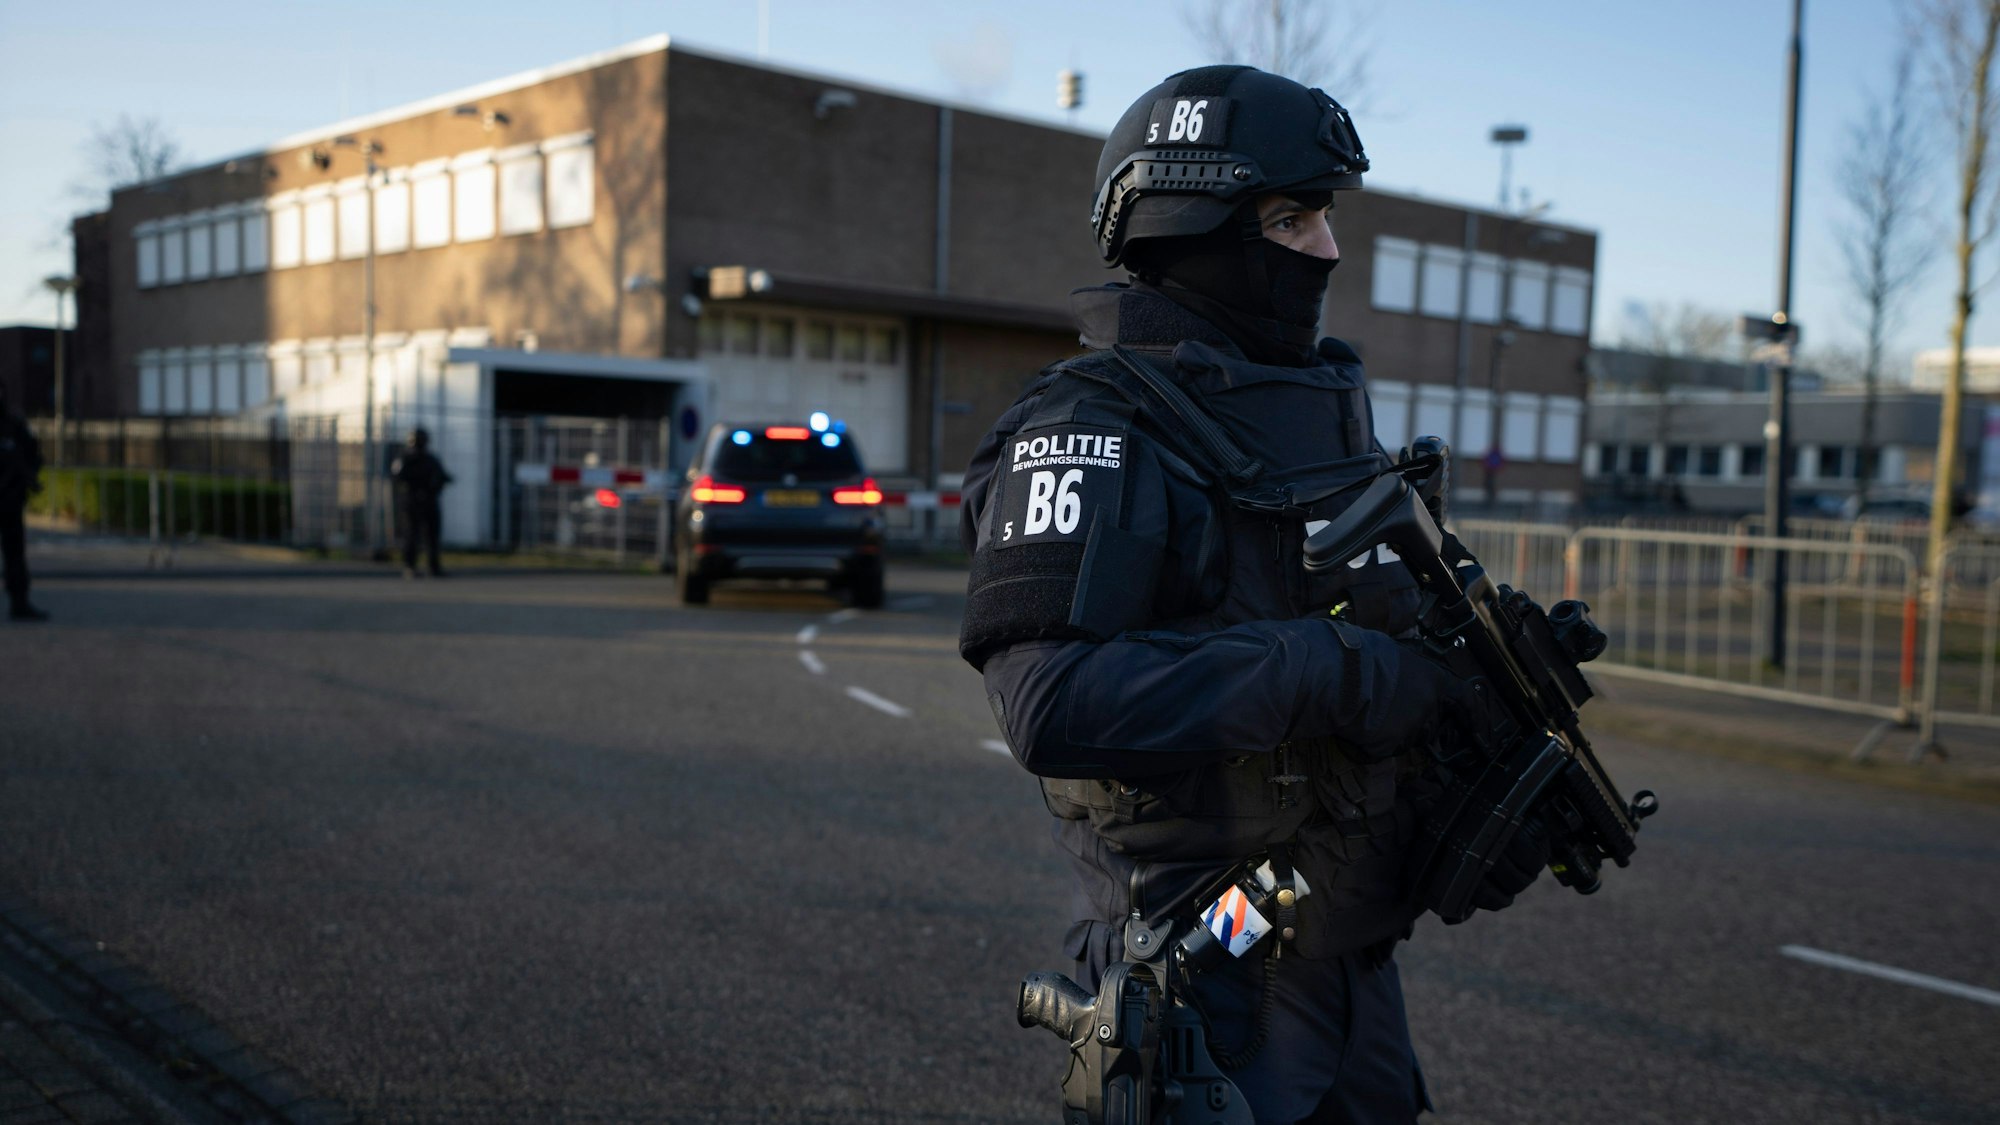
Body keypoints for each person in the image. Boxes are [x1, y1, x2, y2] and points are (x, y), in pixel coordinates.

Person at [958, 67, 1545, 1123]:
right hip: (1200, 973)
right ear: (1193, 226)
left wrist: (1473, 781)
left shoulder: (1317, 414)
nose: (1324, 248)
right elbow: (1052, 704)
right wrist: (1331, 669)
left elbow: (1361, 681)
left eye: (1322, 213)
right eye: (1289, 217)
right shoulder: (1091, 429)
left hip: (1343, 967)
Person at [0, 383, 48, 622]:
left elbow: (34, 454)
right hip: (9, 496)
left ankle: (19, 602)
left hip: (10, 500)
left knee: (15, 555)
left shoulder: (13, 425)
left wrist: (23, 478)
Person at [390, 428, 452, 578]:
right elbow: (397, 477)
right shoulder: (405, 459)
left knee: (430, 535)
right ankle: (411, 566)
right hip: (412, 502)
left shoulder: (430, 459)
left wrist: (436, 486)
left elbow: (443, 477)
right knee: (412, 535)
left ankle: (432, 566)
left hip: (428, 501)